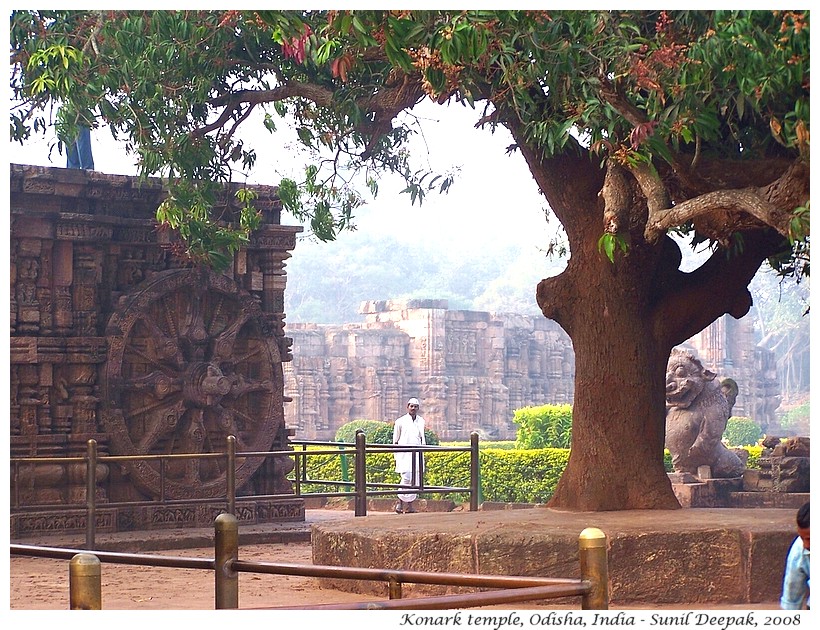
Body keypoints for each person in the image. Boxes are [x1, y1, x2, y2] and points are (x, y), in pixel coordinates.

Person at [393, 397, 426, 514]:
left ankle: (410, 506)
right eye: (411, 406)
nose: (413, 408)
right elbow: (395, 440)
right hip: (405, 455)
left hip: (417, 454)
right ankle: (399, 503)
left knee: (415, 480)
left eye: (416, 406)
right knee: (406, 478)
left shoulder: (421, 421)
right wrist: (397, 455)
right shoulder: (400, 422)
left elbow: (422, 438)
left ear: (418, 408)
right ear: (407, 407)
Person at [780, 501, 810, 610]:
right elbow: (791, 598)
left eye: (810, 539)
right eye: (802, 538)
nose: (806, 545)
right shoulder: (799, 550)